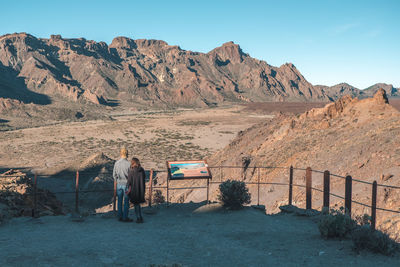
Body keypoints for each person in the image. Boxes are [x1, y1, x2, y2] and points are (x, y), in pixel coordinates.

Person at [113, 148, 133, 222]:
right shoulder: (129, 164)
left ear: (120, 153)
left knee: (119, 201)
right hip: (126, 185)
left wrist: (117, 181)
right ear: (127, 154)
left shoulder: (116, 163)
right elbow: (131, 176)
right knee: (126, 201)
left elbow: (114, 175)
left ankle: (119, 216)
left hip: (119, 184)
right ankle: (125, 217)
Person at [127, 157, 146, 223]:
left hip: (134, 190)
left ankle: (139, 218)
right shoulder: (142, 170)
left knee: (136, 204)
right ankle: (140, 217)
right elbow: (144, 178)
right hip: (141, 189)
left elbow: (129, 182)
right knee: (138, 204)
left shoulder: (131, 171)